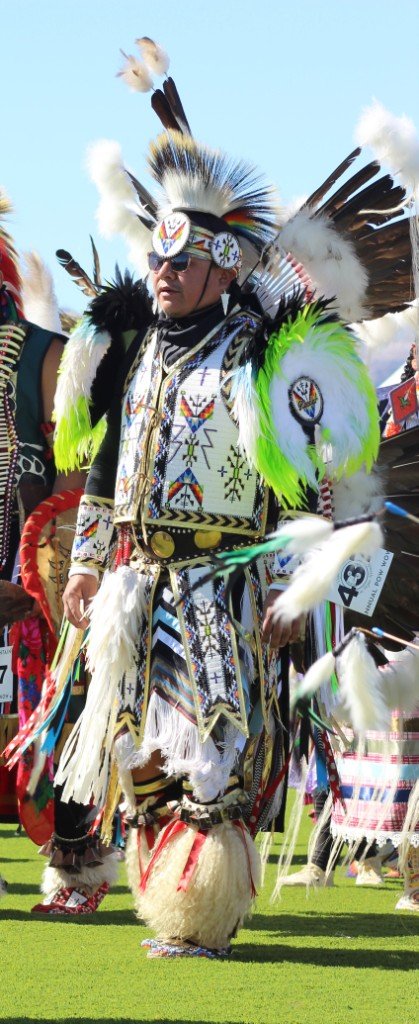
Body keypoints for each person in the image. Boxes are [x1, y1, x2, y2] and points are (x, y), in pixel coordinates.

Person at [49, 105, 385, 958]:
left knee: (218, 755)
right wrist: (88, 564)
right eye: (157, 255)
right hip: (138, 583)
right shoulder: (134, 349)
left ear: (220, 265)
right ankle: (169, 898)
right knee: (139, 755)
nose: (161, 271)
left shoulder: (255, 354)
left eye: (181, 259)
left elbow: (304, 483)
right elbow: (102, 469)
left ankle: (203, 917)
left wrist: (292, 589)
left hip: (222, 583)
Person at [0, 194, 119, 913]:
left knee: (64, 712)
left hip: (39, 571)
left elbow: (76, 479)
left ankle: (78, 868)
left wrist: (49, 565)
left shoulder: (42, 357)